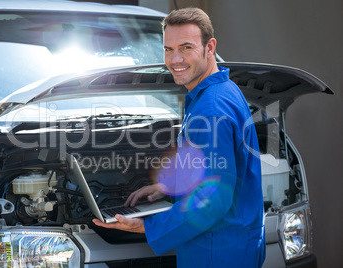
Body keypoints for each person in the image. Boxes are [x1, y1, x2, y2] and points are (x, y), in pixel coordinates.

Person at [93, 7, 266, 267]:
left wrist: (146, 227)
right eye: (168, 49)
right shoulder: (222, 91)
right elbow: (214, 170)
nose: (175, 59)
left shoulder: (211, 110)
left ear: (210, 48)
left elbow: (213, 201)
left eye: (186, 47)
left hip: (216, 252)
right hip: (235, 245)